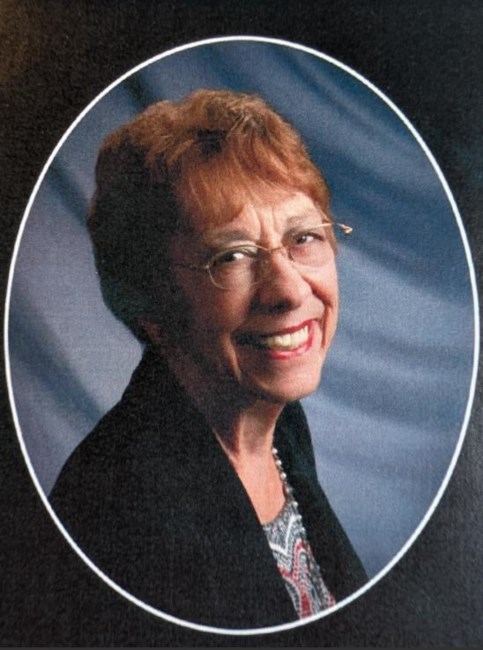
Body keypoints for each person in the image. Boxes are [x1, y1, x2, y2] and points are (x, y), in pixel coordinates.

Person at [50, 88, 367, 629]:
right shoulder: (114, 504)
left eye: (303, 237)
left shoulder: (281, 425)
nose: (290, 290)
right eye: (232, 255)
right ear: (151, 303)